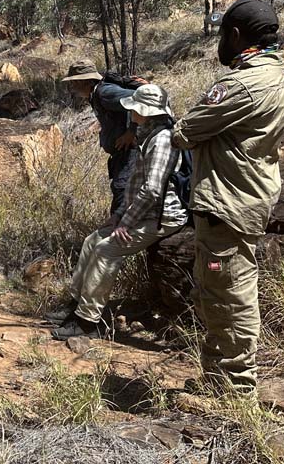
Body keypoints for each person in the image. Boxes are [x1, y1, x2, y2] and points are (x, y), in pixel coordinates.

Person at [172, 0, 284, 395]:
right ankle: (217, 380)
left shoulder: (239, 84)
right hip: (249, 196)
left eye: (223, 34)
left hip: (229, 204)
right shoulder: (278, 73)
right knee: (221, 290)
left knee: (229, 296)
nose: (221, 43)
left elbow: (184, 132)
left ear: (236, 35)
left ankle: (237, 392)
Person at [50, 84, 189, 340]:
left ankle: (88, 321)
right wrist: (119, 215)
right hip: (144, 212)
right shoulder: (149, 134)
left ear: (146, 112)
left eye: (136, 109)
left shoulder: (162, 141)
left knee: (106, 249)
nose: (132, 113)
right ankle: (76, 306)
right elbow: (137, 185)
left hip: (163, 216)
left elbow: (152, 190)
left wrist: (126, 222)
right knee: (93, 241)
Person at [61, 62, 139, 214]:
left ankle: (119, 230)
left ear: (85, 81)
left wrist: (132, 131)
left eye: (74, 82)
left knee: (122, 190)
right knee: (122, 190)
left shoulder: (105, 93)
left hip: (131, 151)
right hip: (121, 153)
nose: (73, 86)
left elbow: (139, 100)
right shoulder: (96, 94)